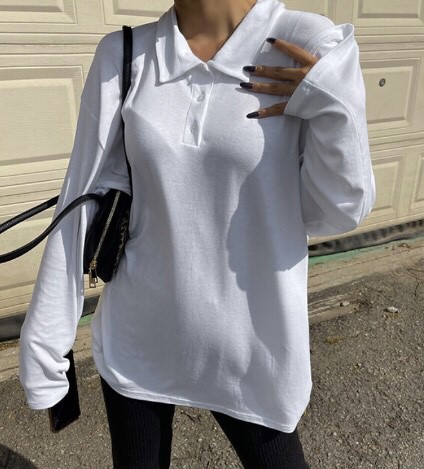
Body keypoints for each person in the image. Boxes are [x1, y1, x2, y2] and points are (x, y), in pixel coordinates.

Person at [19, 0, 376, 467]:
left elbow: (336, 212)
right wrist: (46, 347)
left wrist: (335, 105)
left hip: (254, 349)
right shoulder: (125, 54)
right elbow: (79, 198)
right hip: (138, 338)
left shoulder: (305, 43)